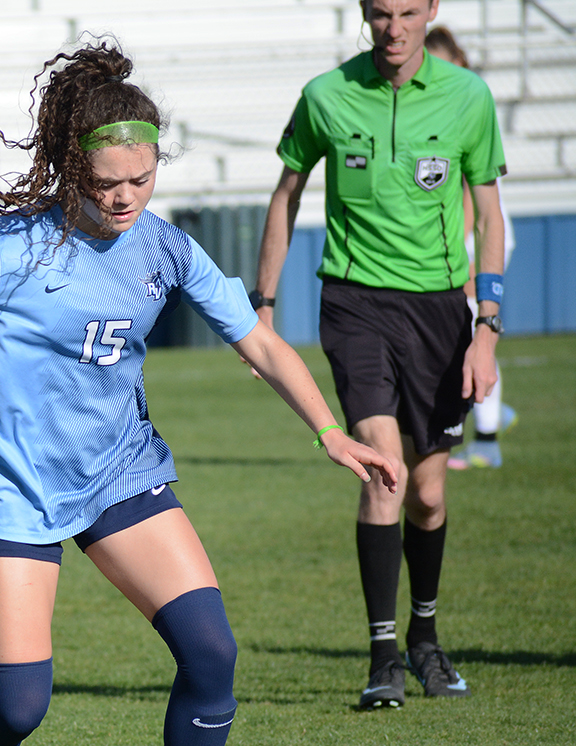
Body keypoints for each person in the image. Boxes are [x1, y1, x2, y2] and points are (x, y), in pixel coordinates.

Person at [0, 43, 396, 746]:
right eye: (107, 183)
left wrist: (330, 431)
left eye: (141, 180)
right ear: (71, 167)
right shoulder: (15, 248)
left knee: (211, 653)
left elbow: (258, 341)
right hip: (17, 488)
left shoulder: (165, 247)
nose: (124, 198)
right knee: (20, 704)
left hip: (121, 472)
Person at [253, 0, 505, 709]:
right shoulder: (325, 95)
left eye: (407, 12)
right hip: (354, 304)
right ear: (365, 13)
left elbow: (489, 214)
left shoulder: (469, 97)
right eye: (380, 13)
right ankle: (383, 657)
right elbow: (286, 195)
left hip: (439, 312)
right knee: (384, 474)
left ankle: (425, 639)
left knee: (427, 493)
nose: (393, 28)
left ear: (432, 10)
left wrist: (487, 326)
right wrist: (262, 304)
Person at [426, 26, 518, 470]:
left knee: (474, 335)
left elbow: (468, 193)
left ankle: (486, 438)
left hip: (476, 236)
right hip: (469, 234)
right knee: (466, 333)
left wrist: (459, 254)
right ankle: (493, 414)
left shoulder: (461, 103)